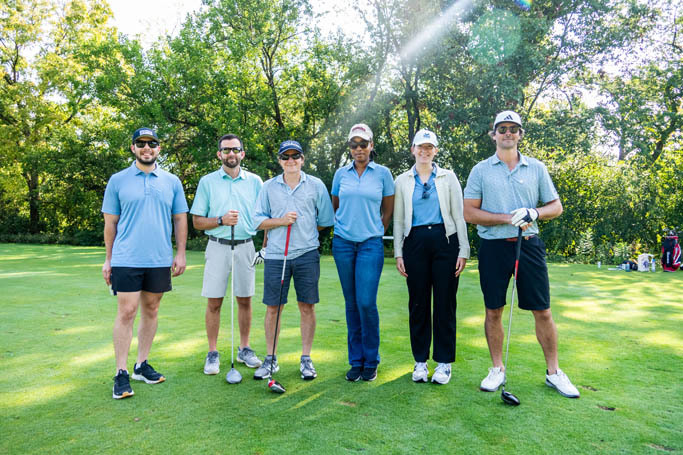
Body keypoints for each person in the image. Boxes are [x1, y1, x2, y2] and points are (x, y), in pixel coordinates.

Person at [463, 111, 580, 398]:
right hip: (493, 246)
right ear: (493, 134)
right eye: (502, 128)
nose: (508, 133)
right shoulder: (480, 170)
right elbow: (469, 213)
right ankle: (497, 369)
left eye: (513, 129)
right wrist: (507, 218)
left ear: (520, 134)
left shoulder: (536, 168)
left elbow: (556, 206)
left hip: (528, 244)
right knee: (493, 310)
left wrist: (534, 212)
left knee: (543, 310)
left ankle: (554, 372)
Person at [102, 127, 188, 400]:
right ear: (133, 148)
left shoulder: (172, 181)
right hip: (126, 257)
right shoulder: (118, 180)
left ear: (158, 148)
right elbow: (110, 223)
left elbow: (180, 219)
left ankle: (141, 365)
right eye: (141, 143)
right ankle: (121, 372)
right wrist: (108, 259)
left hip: (159, 258)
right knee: (127, 312)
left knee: (151, 309)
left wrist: (181, 253)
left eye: (151, 143)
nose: (146, 148)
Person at [252, 140, 334, 380]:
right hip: (276, 255)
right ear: (279, 161)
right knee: (273, 308)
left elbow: (325, 220)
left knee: (307, 306)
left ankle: (306, 358)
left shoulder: (316, 185)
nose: (291, 160)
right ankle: (270, 358)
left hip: (307, 254)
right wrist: (281, 221)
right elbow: (257, 221)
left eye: (295, 156)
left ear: (302, 159)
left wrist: (305, 232)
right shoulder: (268, 187)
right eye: (285, 157)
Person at [393, 129, 469, 385]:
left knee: (445, 303)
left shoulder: (448, 177)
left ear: (435, 151)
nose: (424, 151)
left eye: (429, 147)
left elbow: (459, 215)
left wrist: (463, 250)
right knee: (418, 303)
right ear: (413, 149)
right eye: (420, 147)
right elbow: (399, 219)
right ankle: (420, 361)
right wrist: (398, 252)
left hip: (445, 241)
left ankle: (444, 363)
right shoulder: (402, 180)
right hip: (414, 242)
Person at [190, 134, 264, 376]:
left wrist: (265, 246)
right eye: (226, 150)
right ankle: (212, 352)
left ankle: (244, 348)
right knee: (214, 301)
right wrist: (221, 220)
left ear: (242, 153)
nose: (231, 154)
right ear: (219, 154)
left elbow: (265, 216)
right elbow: (197, 222)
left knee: (245, 299)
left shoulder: (255, 182)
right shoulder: (207, 182)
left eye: (235, 149)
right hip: (218, 245)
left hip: (246, 246)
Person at [332, 124, 394, 382]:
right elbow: (336, 206)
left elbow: (388, 210)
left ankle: (371, 360)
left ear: (371, 146)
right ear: (350, 148)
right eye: (354, 144)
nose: (358, 149)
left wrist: (377, 230)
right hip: (343, 243)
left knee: (366, 302)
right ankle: (356, 361)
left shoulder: (383, 174)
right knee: (351, 303)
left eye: (363, 144)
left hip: (370, 244)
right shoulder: (340, 174)